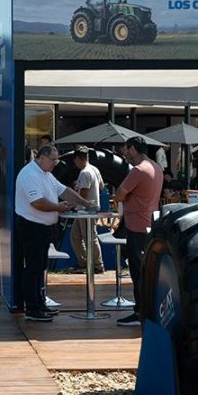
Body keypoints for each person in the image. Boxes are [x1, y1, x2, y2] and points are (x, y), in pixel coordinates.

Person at [15, 144, 94, 322]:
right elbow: (37, 203)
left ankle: (39, 303)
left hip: (42, 227)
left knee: (40, 267)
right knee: (33, 268)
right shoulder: (29, 174)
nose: (55, 163)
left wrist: (84, 203)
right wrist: (58, 207)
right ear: (41, 157)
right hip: (31, 226)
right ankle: (32, 308)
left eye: (57, 160)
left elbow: (64, 191)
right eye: (53, 160)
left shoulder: (46, 174)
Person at [113, 136, 164, 327]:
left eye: (125, 150)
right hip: (150, 223)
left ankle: (139, 313)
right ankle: (148, 311)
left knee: (138, 272)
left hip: (136, 226)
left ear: (133, 149)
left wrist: (125, 197)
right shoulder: (156, 167)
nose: (124, 154)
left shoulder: (138, 170)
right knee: (148, 271)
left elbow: (119, 194)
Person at [68, 147, 105, 274]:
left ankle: (97, 265)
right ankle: (84, 263)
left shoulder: (84, 173)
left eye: (75, 160)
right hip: (89, 209)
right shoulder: (95, 169)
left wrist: (71, 204)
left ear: (79, 159)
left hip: (86, 210)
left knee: (90, 237)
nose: (75, 163)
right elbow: (101, 186)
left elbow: (83, 195)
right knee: (75, 237)